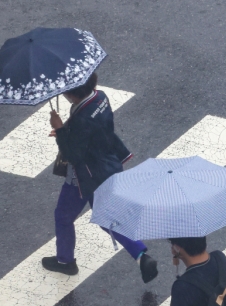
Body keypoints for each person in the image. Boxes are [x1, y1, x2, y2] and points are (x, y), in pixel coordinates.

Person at [43, 72, 158, 283]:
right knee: (107, 217)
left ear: (70, 94)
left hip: (84, 177)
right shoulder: (100, 98)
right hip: (105, 167)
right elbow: (90, 128)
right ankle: (141, 255)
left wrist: (60, 129)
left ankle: (65, 261)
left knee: (63, 216)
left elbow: (73, 155)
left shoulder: (82, 120)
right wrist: (69, 129)